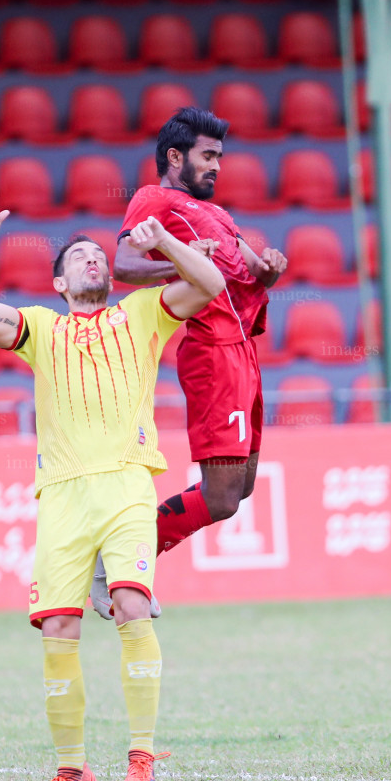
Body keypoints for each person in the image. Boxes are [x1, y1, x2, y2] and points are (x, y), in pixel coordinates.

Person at [0, 194, 225, 781]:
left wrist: (163, 245)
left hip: (129, 484)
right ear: (59, 281)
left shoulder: (142, 313)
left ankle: (140, 760)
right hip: (62, 496)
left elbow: (209, 282)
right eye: (79, 257)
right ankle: (73, 773)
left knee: (131, 604)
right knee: (58, 626)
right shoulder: (40, 328)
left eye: (99, 255)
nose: (92, 261)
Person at [90, 107, 287, 619]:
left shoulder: (218, 215)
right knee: (221, 498)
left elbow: (248, 275)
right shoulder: (153, 200)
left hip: (245, 352)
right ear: (175, 157)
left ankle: (124, 557)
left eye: (220, 156)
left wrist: (268, 272)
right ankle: (121, 561)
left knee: (238, 490)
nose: (217, 165)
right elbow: (126, 266)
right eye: (208, 155)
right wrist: (174, 256)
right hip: (213, 350)